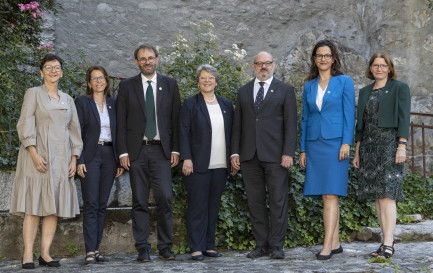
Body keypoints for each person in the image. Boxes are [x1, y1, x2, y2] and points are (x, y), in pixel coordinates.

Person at [9, 54, 83, 269]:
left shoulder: (68, 99)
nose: (53, 71)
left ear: (61, 72)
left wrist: (73, 158)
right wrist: (33, 153)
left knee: (53, 208)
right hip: (37, 157)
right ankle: (27, 255)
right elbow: (25, 124)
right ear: (41, 72)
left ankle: (45, 254)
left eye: (57, 67)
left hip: (61, 159)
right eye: (48, 67)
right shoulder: (33, 94)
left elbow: (74, 130)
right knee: (33, 206)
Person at [116, 44, 181, 262]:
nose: (147, 61)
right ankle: (142, 247)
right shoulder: (127, 86)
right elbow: (121, 122)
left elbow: (175, 120)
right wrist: (123, 152)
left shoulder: (170, 85)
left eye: (150, 58)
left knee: (165, 198)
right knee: (139, 200)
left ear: (157, 59)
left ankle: (165, 247)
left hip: (162, 152)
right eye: (142, 59)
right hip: (137, 152)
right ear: (136, 62)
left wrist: (175, 149)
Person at [231, 51, 297, 259]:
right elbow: (237, 126)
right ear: (253, 66)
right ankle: (261, 245)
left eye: (267, 63)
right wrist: (235, 153)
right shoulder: (243, 92)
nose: (263, 67)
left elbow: (291, 125)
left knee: (278, 201)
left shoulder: (285, 90)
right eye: (259, 64)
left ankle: (276, 246)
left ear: (273, 65)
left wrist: (288, 153)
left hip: (277, 156)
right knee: (255, 201)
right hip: (249, 156)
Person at [299, 40, 356, 260]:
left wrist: (346, 143)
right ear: (314, 59)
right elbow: (305, 119)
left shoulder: (344, 82)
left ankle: (326, 246)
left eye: (327, 55)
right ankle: (335, 242)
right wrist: (303, 149)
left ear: (334, 59)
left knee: (331, 194)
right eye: (319, 55)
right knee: (326, 195)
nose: (323, 59)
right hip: (314, 144)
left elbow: (349, 115)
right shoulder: (309, 85)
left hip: (335, 145)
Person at [353, 51, 410, 259]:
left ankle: (388, 243)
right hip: (368, 146)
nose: (379, 68)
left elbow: (404, 118)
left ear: (389, 68)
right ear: (370, 68)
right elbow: (361, 124)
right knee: (378, 197)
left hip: (389, 144)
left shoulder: (399, 88)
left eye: (383, 65)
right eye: (375, 65)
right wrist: (357, 151)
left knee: (387, 194)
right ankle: (386, 241)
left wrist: (402, 145)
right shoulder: (365, 90)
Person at [179, 64, 233, 260]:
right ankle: (196, 247)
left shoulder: (226, 105)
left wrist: (233, 156)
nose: (207, 80)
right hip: (197, 164)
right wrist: (186, 158)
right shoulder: (190, 104)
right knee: (197, 207)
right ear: (198, 81)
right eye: (203, 77)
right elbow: (183, 133)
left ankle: (209, 246)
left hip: (220, 164)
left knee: (213, 206)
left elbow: (232, 134)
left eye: (210, 77)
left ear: (216, 81)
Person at [75, 66, 124, 264]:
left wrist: (120, 157)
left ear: (107, 81)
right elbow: (76, 131)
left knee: (102, 204)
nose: (99, 81)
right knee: (91, 204)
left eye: (102, 77)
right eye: (94, 78)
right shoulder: (82, 102)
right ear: (89, 82)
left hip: (110, 156)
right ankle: (89, 250)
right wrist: (79, 159)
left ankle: (96, 249)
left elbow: (119, 131)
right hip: (90, 155)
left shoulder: (114, 103)